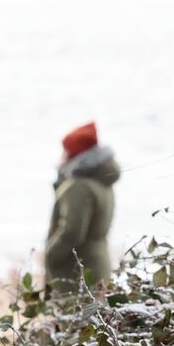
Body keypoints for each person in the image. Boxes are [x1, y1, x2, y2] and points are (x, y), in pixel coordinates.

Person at [44, 121, 120, 293]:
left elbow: (71, 232)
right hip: (99, 264)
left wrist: (50, 255)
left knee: (74, 309)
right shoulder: (102, 182)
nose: (62, 155)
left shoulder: (78, 187)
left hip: (76, 271)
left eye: (65, 150)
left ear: (74, 153)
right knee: (97, 308)